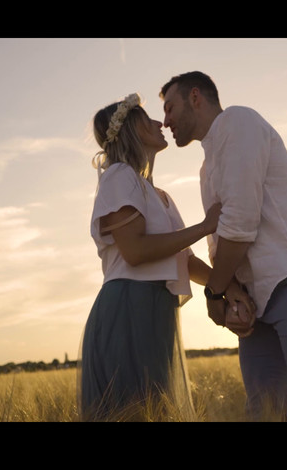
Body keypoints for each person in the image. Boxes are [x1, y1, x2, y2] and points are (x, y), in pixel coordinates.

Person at [160, 71, 287, 421]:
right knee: (262, 414)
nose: (165, 121)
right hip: (252, 302)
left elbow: (240, 222)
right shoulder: (205, 168)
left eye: (170, 108)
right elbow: (221, 241)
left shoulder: (239, 122)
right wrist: (232, 293)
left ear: (195, 97)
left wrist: (215, 293)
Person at [78, 92, 248, 421]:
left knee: (153, 409)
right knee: (130, 410)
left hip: (156, 310)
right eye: (148, 119)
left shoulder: (160, 196)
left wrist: (227, 286)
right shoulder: (118, 176)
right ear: (131, 129)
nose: (160, 123)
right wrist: (204, 226)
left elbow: (184, 259)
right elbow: (136, 251)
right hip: (128, 307)